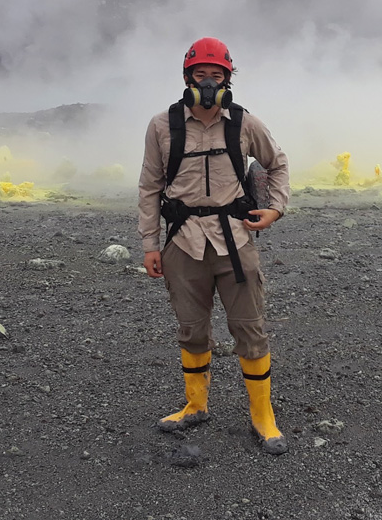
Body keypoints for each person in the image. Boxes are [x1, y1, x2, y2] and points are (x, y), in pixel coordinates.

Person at [137, 37, 290, 455]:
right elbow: (150, 187)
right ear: (187, 78)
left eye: (216, 75)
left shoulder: (244, 122)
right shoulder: (161, 125)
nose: (208, 83)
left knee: (249, 327)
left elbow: (277, 163)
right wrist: (151, 243)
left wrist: (275, 209)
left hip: (235, 241)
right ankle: (195, 404)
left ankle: (263, 416)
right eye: (201, 75)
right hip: (183, 244)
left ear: (228, 79)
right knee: (191, 328)